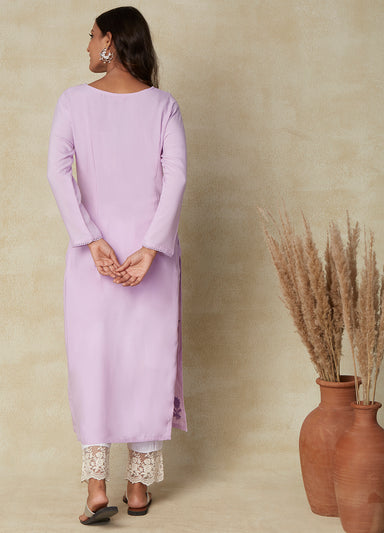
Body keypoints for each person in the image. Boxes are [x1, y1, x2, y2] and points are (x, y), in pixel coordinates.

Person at [47, 6, 188, 525]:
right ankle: (137, 490)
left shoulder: (73, 101)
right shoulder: (163, 105)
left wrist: (90, 238)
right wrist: (151, 248)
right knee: (146, 363)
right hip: (149, 262)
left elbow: (57, 172)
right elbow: (176, 178)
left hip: (95, 262)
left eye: (91, 36)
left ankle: (95, 491)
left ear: (109, 41)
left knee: (94, 362)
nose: (86, 46)